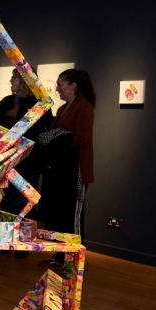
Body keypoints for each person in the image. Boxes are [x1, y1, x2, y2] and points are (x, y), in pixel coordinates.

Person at [37, 69, 96, 268]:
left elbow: (81, 138)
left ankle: (73, 263)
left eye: (60, 84)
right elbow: (56, 134)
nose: (57, 89)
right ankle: (60, 257)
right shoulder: (63, 108)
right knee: (58, 216)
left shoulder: (84, 107)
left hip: (75, 171)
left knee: (72, 218)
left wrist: (55, 137)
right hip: (59, 170)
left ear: (73, 86)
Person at [0, 69, 53, 258]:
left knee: (25, 202)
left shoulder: (39, 105)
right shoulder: (6, 101)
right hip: (5, 161)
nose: (11, 81)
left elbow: (45, 134)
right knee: (4, 200)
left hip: (30, 162)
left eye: (14, 77)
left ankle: (23, 245)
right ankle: (3, 243)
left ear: (24, 80)